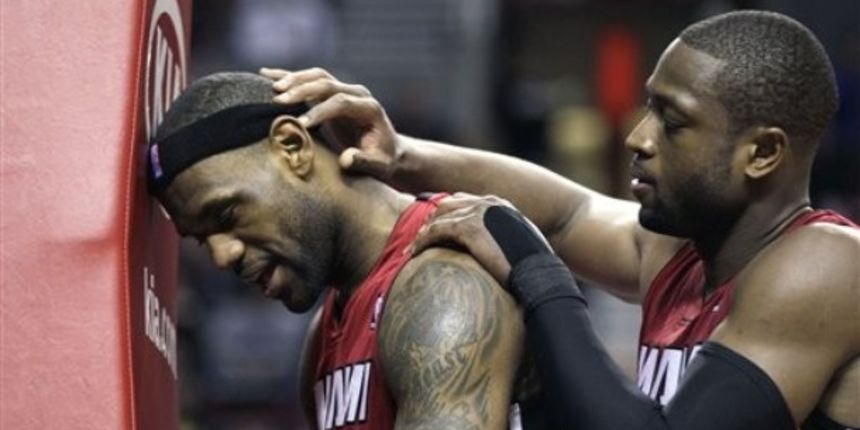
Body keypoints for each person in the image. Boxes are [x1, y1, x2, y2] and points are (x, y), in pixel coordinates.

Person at [260, 10, 860, 430]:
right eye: (649, 106)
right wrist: (403, 155)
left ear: (761, 153)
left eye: (673, 122)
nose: (638, 136)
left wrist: (539, 277)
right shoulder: (680, 253)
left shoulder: (828, 264)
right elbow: (569, 212)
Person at [147, 72, 549, 430]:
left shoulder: (444, 289)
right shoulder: (324, 336)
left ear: (292, 146)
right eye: (202, 239)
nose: (222, 256)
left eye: (226, 213)